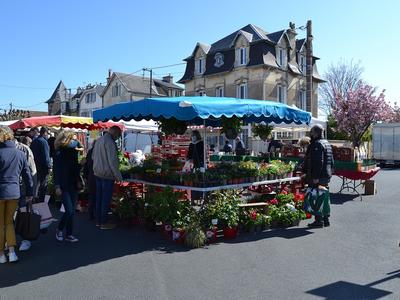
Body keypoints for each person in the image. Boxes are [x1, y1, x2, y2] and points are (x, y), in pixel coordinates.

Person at [0, 126, 33, 263]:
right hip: (14, 192)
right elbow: (27, 175)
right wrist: (30, 193)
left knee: (1, 224)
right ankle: (12, 252)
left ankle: (1, 254)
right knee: (8, 223)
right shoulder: (20, 153)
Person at [53, 130, 82, 242]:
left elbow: (75, 169)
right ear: (66, 138)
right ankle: (60, 229)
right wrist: (56, 186)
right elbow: (56, 170)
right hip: (63, 184)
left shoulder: (73, 152)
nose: (75, 141)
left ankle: (69, 234)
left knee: (72, 211)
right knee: (69, 210)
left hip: (73, 183)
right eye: (73, 138)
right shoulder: (59, 152)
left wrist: (81, 166)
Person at [303, 125, 334, 228]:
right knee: (324, 196)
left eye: (311, 132)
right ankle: (326, 219)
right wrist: (331, 172)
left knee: (317, 197)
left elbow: (318, 162)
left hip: (319, 175)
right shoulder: (327, 143)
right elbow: (331, 161)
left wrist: (315, 177)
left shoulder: (317, 144)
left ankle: (318, 221)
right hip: (326, 174)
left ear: (316, 133)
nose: (310, 134)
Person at [93, 126, 123, 230]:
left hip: (97, 173)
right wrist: (119, 177)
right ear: (115, 133)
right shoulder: (110, 142)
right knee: (105, 200)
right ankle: (103, 223)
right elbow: (113, 162)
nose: (118, 138)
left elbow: (93, 157)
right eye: (118, 135)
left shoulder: (99, 140)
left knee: (99, 199)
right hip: (107, 175)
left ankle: (98, 221)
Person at [15, 137, 38, 252]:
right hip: (10, 189)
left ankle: (25, 239)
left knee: (24, 213)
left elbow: (31, 171)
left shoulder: (24, 149)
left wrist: (31, 192)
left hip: (23, 189)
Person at [30, 127, 51, 202]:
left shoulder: (34, 141)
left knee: (36, 183)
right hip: (43, 167)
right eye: (47, 133)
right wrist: (49, 166)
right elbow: (46, 156)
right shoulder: (44, 142)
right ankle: (40, 201)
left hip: (35, 165)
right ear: (45, 133)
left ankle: (33, 199)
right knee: (43, 184)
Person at [83, 140, 97, 221]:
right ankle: (95, 214)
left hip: (90, 176)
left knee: (92, 195)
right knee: (97, 196)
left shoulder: (90, 152)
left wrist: (85, 176)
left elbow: (86, 165)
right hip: (96, 176)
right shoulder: (98, 152)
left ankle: (91, 214)